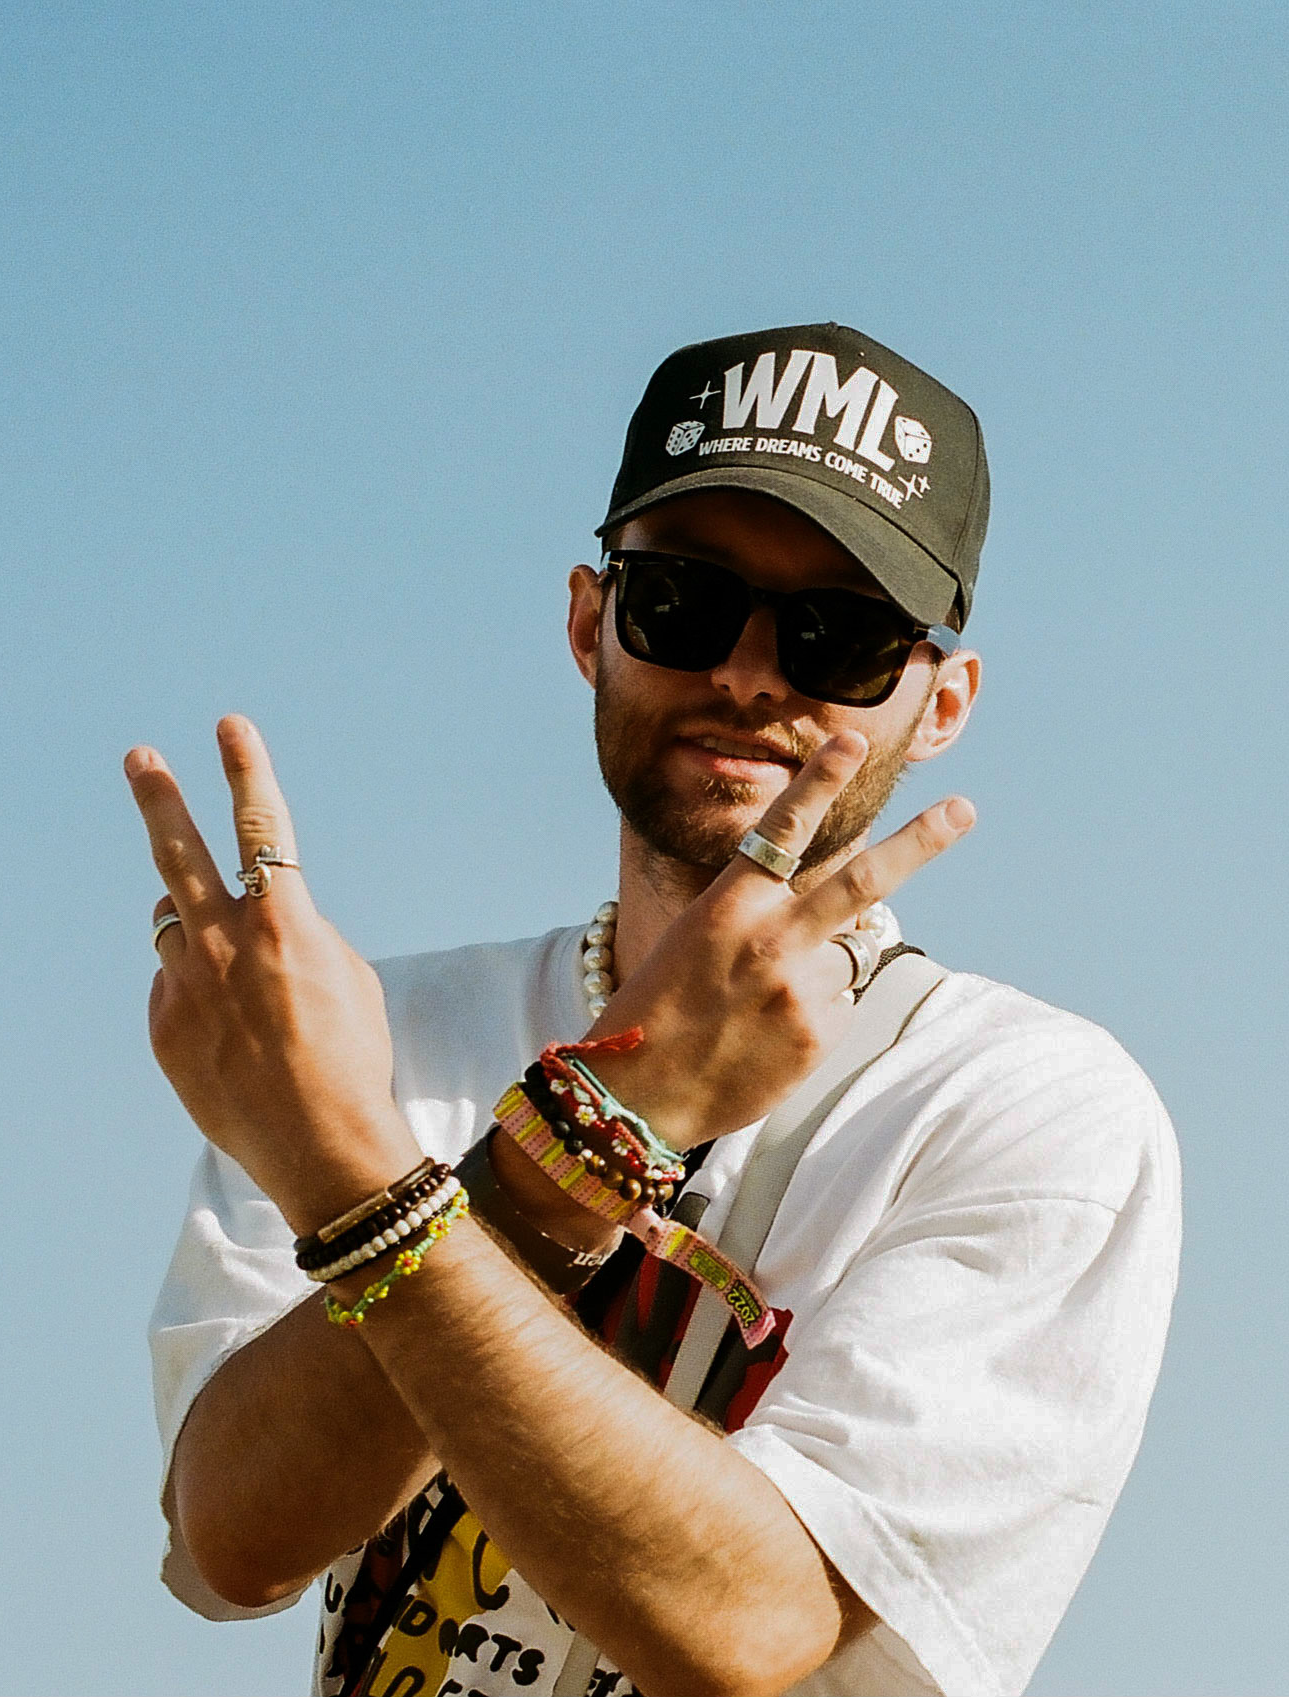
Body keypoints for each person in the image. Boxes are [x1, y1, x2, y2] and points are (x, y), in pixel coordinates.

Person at [138, 323, 1182, 1697]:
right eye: (684, 602)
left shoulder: (1027, 1106)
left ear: (943, 704)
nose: (750, 675)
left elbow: (746, 1624)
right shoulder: (386, 1034)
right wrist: (487, 1156)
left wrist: (531, 1141)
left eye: (840, 639)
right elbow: (240, 1538)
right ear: (589, 622)